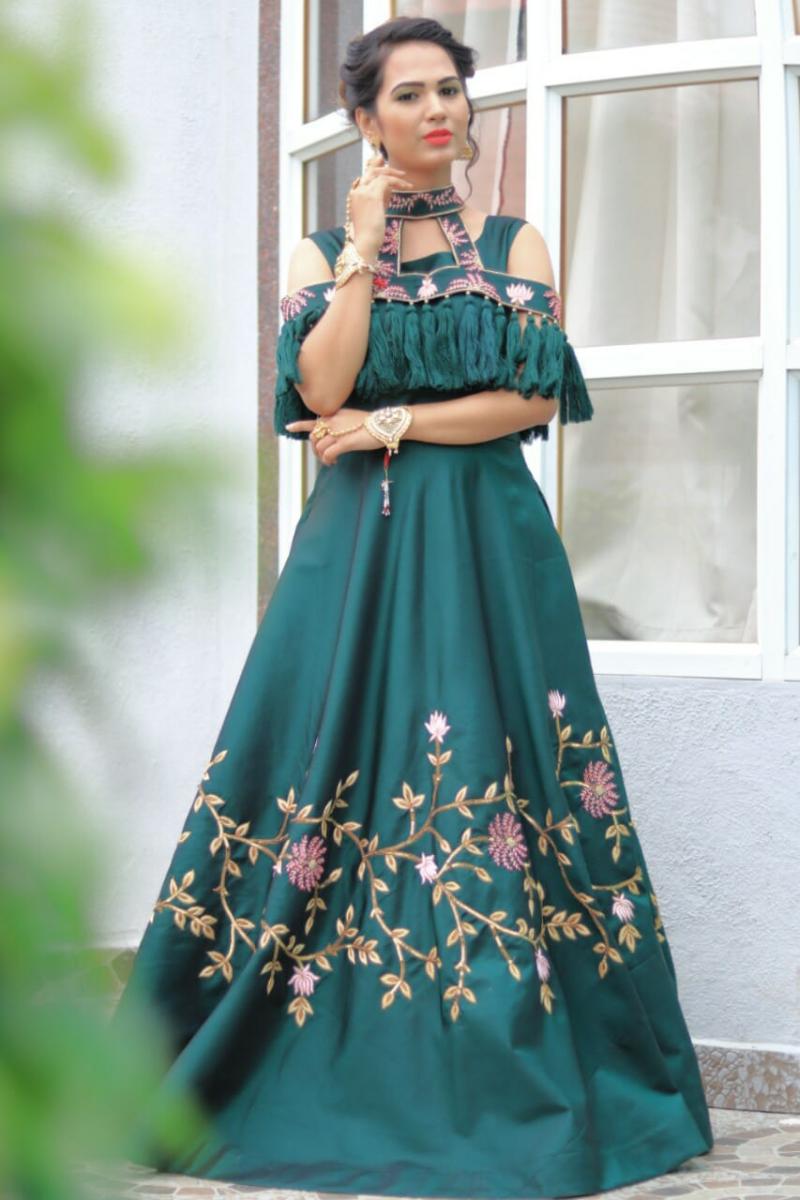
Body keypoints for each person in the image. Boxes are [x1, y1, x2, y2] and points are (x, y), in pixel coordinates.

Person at [111, 14, 714, 1199]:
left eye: (449, 90)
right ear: (366, 119)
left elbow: (525, 401)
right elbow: (318, 384)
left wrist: (394, 421)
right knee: (320, 763)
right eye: (409, 95)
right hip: (356, 560)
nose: (437, 110)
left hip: (488, 548)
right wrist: (356, 251)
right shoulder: (314, 257)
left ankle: (513, 1064)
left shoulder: (512, 241)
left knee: (507, 770)